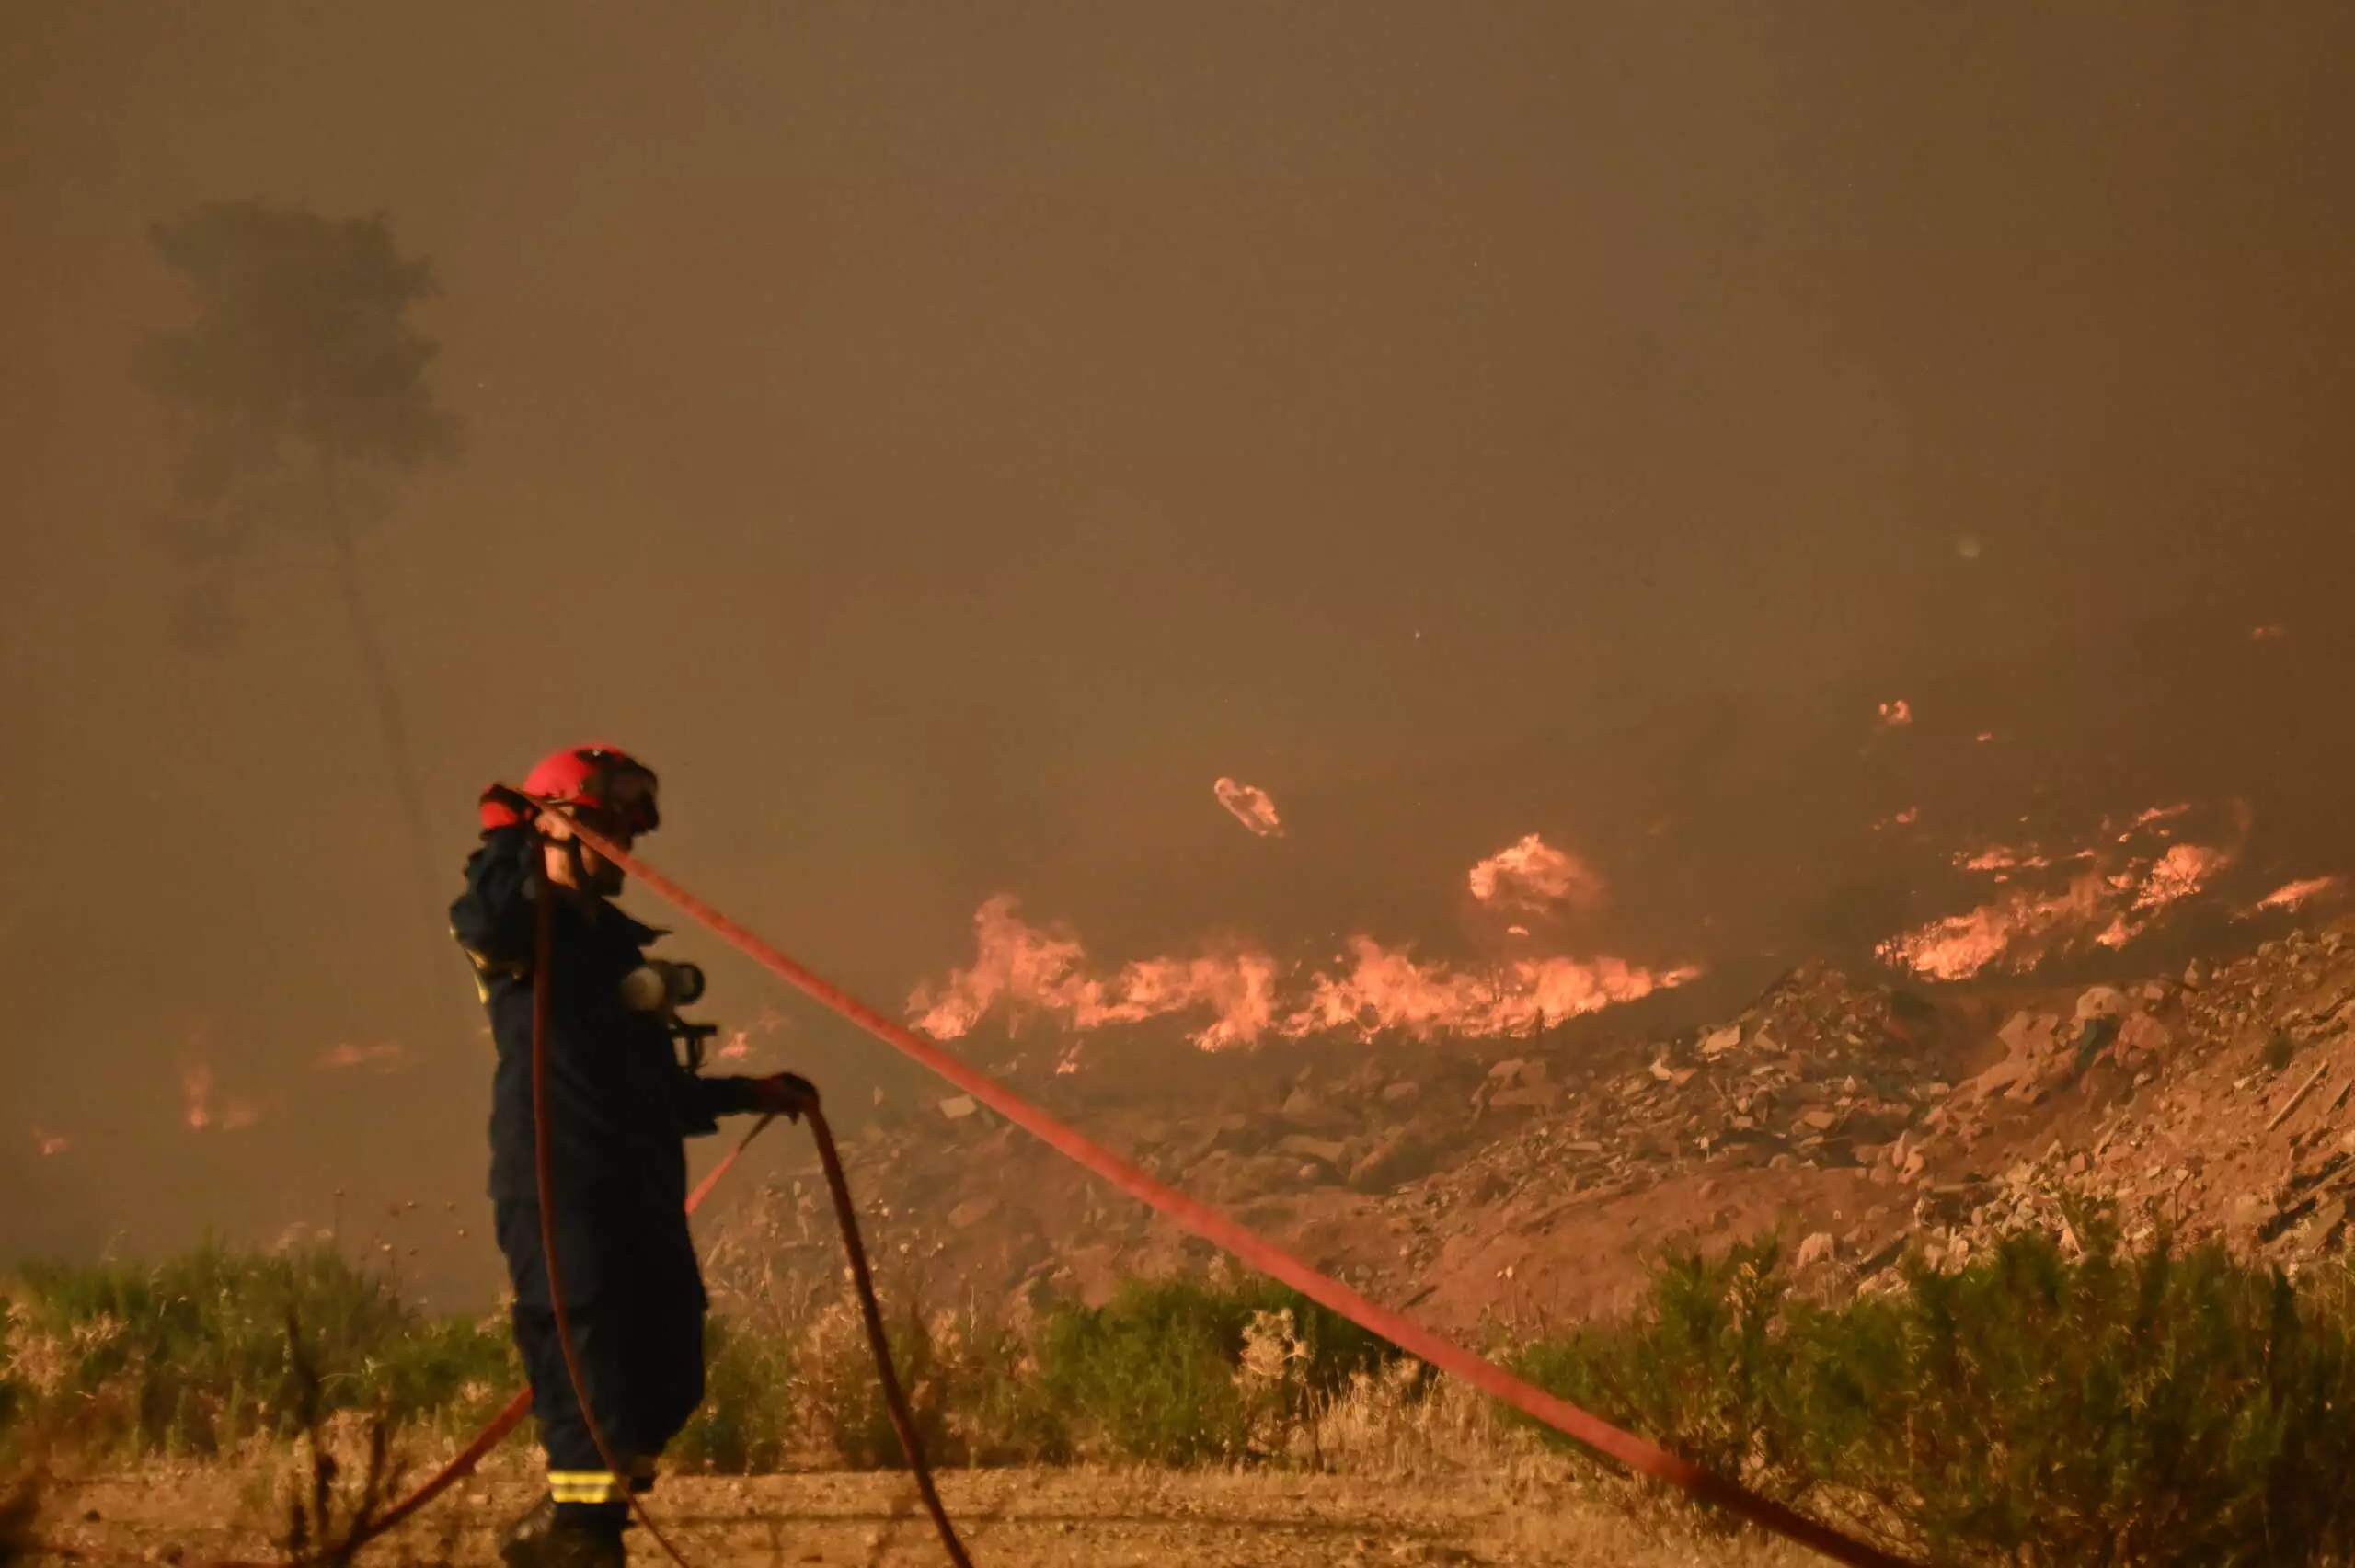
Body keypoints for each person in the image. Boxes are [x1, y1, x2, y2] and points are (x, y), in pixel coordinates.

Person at [450, 744, 814, 1568]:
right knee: (587, 1346)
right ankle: (580, 1538)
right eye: (609, 829)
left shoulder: (616, 950)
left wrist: (751, 1093)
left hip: (639, 1184)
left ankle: (576, 1521)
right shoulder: (522, 934)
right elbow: (485, 919)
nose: (627, 849)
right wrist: (511, 838)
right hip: (562, 1181)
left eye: (629, 832)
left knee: (671, 1360)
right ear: (562, 824)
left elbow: (651, 1092)